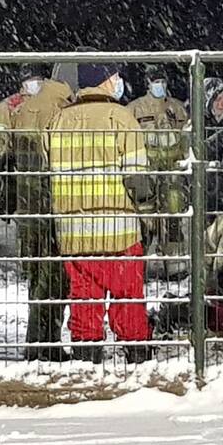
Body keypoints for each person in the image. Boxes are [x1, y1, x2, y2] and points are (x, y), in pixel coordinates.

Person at [45, 63, 154, 364]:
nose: (120, 82)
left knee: (84, 297)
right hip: (117, 231)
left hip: (74, 232)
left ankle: (86, 353)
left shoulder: (58, 121)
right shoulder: (122, 118)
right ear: (105, 81)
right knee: (128, 295)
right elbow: (137, 178)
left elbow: (48, 166)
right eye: (116, 76)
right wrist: (148, 215)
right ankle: (136, 351)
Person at [0, 64, 73, 361]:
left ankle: (41, 343)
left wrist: (8, 197)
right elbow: (7, 165)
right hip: (47, 212)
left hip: (37, 211)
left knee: (46, 279)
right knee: (49, 279)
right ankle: (42, 344)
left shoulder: (20, 112)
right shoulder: (55, 109)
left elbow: (6, 164)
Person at [126, 66, 189, 278]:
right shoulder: (134, 109)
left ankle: (175, 266)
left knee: (173, 216)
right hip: (145, 171)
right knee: (143, 219)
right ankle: (138, 266)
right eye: (155, 81)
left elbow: (186, 139)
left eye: (162, 81)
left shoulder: (178, 109)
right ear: (147, 83)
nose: (159, 85)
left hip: (171, 172)